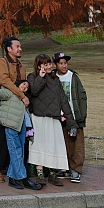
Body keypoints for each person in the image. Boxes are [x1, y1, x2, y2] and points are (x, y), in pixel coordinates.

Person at [0, 37, 42, 190]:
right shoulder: (1, 62)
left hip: (19, 107)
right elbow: (5, 81)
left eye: (20, 46)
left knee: (19, 143)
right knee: (2, 139)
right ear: (9, 49)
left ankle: (15, 175)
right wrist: (21, 95)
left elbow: (23, 84)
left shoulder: (21, 66)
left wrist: (25, 89)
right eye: (17, 46)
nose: (20, 49)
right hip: (5, 103)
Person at [26, 53, 78, 186]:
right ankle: (40, 173)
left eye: (49, 63)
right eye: (45, 64)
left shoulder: (55, 79)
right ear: (39, 66)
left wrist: (71, 121)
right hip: (38, 117)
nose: (49, 66)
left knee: (54, 146)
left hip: (53, 117)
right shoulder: (32, 77)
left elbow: (63, 101)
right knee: (40, 145)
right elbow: (34, 91)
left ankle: (53, 174)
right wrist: (41, 77)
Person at [54, 51, 87, 182]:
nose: (64, 66)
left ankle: (76, 169)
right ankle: (63, 168)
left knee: (76, 144)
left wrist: (81, 116)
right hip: (59, 117)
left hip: (73, 117)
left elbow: (82, 97)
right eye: (61, 63)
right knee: (62, 144)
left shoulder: (73, 77)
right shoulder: (52, 78)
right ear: (55, 64)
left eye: (65, 63)